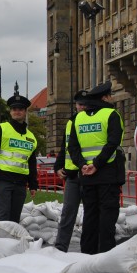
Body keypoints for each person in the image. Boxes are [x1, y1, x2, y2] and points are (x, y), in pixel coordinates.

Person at [67, 81, 125, 255]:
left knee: (90, 218)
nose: (112, 98)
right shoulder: (111, 115)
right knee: (107, 218)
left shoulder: (78, 118)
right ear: (105, 97)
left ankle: (87, 257)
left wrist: (84, 165)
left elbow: (73, 147)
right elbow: (113, 143)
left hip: (86, 177)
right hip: (108, 175)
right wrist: (97, 164)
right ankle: (106, 256)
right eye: (110, 95)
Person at [0, 90, 38, 223]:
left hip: (21, 183)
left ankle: (12, 243)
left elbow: (31, 161)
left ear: (25, 112)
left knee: (15, 219)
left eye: (20, 109)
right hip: (4, 181)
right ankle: (1, 243)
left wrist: (33, 184)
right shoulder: (1, 129)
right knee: (3, 217)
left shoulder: (31, 137)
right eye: (14, 109)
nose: (17, 111)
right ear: (10, 112)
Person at [53, 91, 87, 252]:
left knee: (91, 213)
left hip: (89, 176)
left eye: (84, 104)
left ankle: (88, 247)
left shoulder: (91, 121)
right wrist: (57, 167)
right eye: (80, 104)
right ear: (76, 105)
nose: (82, 107)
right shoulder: (70, 122)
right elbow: (64, 147)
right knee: (67, 213)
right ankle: (60, 247)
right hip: (72, 176)